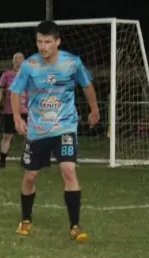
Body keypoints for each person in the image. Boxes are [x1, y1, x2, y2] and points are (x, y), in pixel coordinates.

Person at [9, 20, 100, 242]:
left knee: (69, 171)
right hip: (38, 130)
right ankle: (26, 219)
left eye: (47, 41)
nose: (43, 46)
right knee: (31, 176)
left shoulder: (72, 63)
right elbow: (15, 91)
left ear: (57, 42)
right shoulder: (29, 65)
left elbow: (87, 85)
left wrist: (94, 109)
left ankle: (75, 226)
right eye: (39, 41)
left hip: (65, 127)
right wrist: (17, 117)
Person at [0, 52, 28, 168]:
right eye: (15, 58)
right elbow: (0, 90)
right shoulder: (6, 74)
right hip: (11, 111)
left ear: (24, 60)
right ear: (13, 61)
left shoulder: (30, 74)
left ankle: (26, 159)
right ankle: (2, 161)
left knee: (28, 136)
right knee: (7, 136)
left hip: (27, 111)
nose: (18, 60)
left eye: (20, 58)